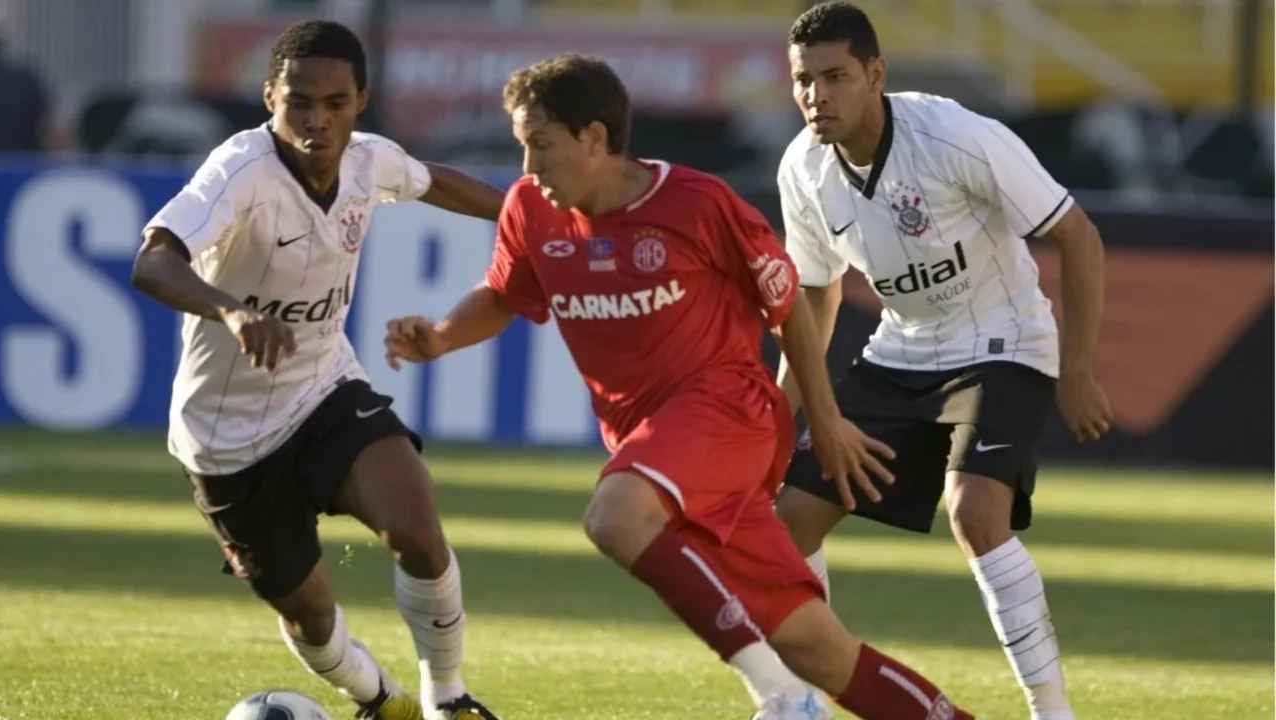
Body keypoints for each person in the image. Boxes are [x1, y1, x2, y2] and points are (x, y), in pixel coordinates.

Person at [383, 53, 977, 720]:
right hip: (658, 442)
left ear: (595, 139)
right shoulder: (531, 209)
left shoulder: (697, 204)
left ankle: (780, 697)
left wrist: (825, 419)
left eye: (540, 147)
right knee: (817, 644)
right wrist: (438, 337)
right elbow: (504, 294)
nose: (528, 169)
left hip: (727, 409)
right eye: (524, 148)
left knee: (615, 515)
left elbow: (791, 310)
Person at [743, 4, 1113, 720]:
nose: (816, 96)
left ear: (875, 74)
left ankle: (1052, 711)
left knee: (974, 510)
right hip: (899, 352)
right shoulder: (803, 168)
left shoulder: (957, 137)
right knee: (784, 523)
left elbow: (1080, 235)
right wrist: (782, 413)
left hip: (1002, 343)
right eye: (802, 80)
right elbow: (813, 301)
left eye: (835, 76)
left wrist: (1078, 371)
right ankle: (801, 700)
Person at [129, 20, 505, 720]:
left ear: (361, 100)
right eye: (298, 101)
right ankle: (379, 700)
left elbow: (436, 183)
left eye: (334, 103)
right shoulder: (240, 170)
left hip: (324, 389)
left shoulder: (368, 160)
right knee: (309, 613)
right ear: (270, 96)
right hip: (226, 437)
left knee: (417, 527)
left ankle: (447, 700)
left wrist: (535, 219)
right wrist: (232, 313)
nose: (316, 120)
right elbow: (153, 260)